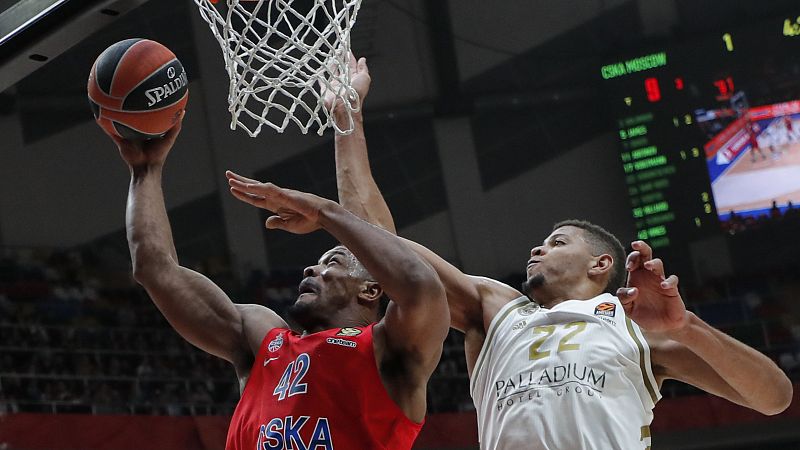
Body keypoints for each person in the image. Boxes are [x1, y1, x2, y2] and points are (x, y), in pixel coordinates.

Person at [320, 55, 794, 449]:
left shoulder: (640, 335)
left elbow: (774, 398)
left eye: (557, 242)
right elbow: (379, 246)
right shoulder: (493, 308)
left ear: (601, 264)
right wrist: (347, 122)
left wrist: (685, 327)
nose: (537, 247)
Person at [101, 114, 450, 450]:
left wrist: (324, 213)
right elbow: (154, 269)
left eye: (332, 262)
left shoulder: (390, 348)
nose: (309, 270)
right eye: (315, 263)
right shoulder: (261, 339)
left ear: (371, 290)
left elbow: (422, 287)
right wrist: (145, 171)